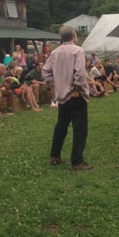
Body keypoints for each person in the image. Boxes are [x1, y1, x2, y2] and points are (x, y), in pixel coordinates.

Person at [42, 25, 91, 171]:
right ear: (74, 35)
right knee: (80, 129)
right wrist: (76, 88)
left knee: (61, 127)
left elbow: (45, 72)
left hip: (62, 96)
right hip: (76, 95)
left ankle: (55, 157)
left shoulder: (55, 52)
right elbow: (80, 73)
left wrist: (56, 83)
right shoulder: (78, 50)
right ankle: (77, 162)